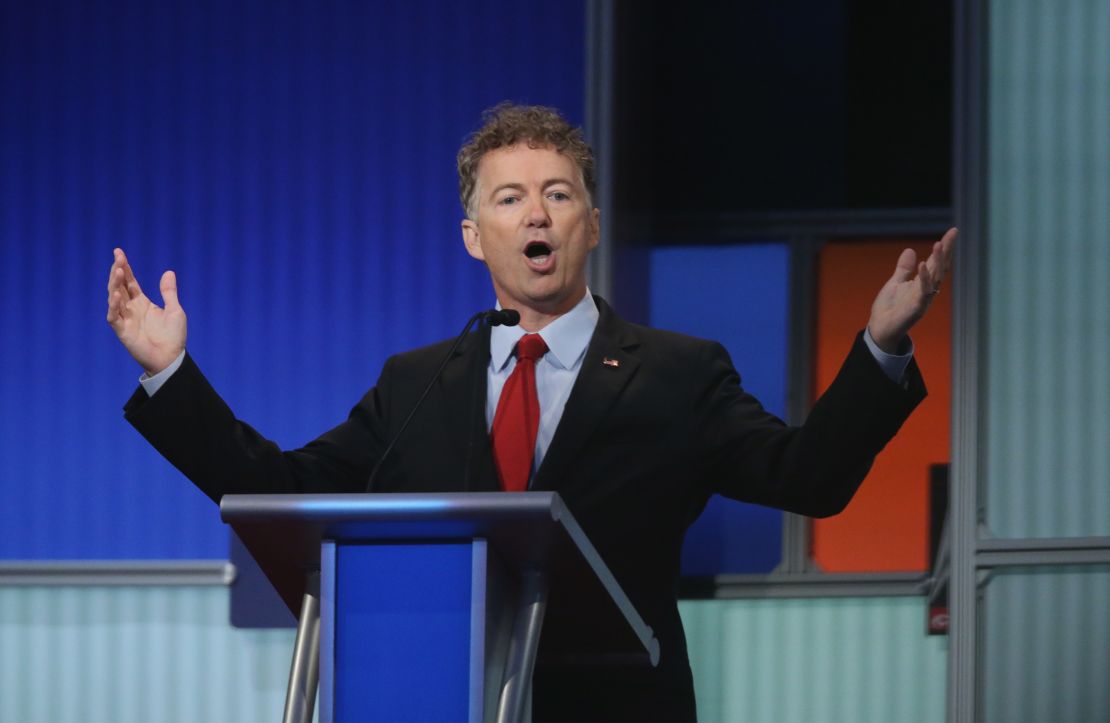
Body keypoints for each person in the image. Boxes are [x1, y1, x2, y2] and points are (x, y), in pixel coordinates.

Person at [106, 103, 954, 722]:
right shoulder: (417, 383)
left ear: (589, 223)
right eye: (509, 199)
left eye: (558, 193)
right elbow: (281, 485)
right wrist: (171, 373)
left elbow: (809, 476)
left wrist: (880, 345)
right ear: (475, 234)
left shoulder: (677, 373)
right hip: (445, 703)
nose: (536, 213)